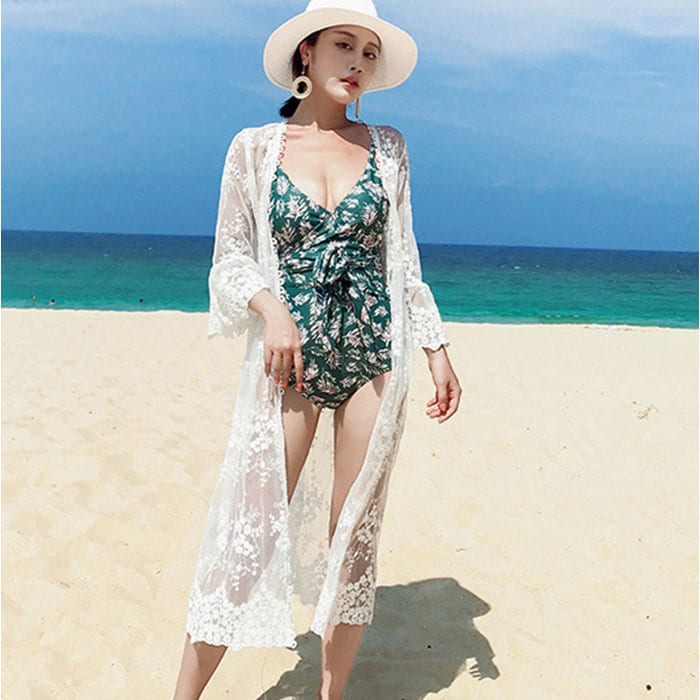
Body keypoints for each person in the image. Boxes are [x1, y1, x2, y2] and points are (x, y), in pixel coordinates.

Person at [173, 1, 462, 698]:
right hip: (290, 363)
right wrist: (270, 308)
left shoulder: (388, 146)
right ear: (306, 51)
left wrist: (436, 347)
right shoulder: (253, 149)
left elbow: (404, 258)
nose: (358, 62)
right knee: (248, 533)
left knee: (353, 536)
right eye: (344, 44)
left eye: (369, 52)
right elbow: (230, 258)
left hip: (375, 356)